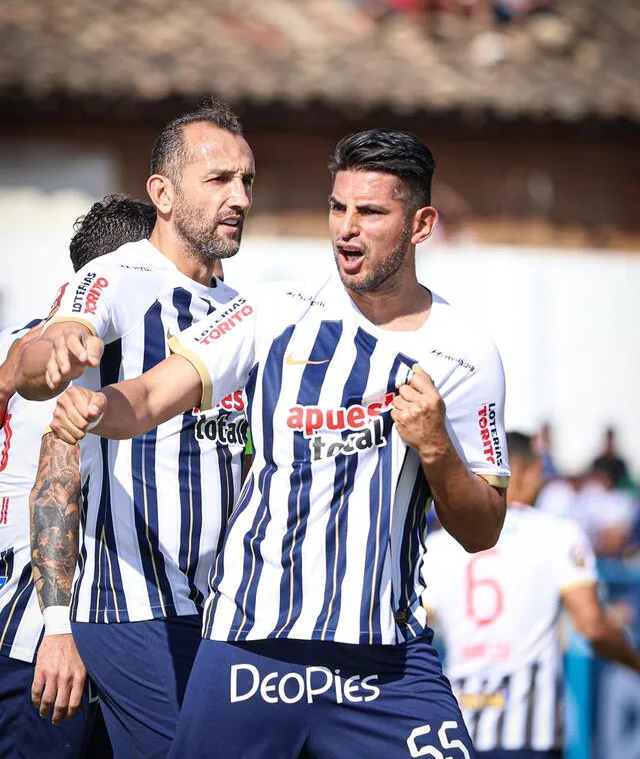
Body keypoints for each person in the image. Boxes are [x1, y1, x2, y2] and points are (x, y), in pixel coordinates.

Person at [26, 128, 510, 757]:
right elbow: (148, 397)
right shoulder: (273, 311)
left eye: (370, 213)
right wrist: (97, 408)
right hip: (251, 650)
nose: (347, 229)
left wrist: (438, 449)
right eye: (338, 208)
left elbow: (483, 529)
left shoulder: (467, 354)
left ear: (420, 224)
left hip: (383, 663)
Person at [18, 100, 254, 758]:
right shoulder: (118, 277)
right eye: (218, 180)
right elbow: (54, 359)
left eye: (246, 181)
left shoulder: (241, 309)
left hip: (220, 613)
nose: (238, 198)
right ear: (163, 193)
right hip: (132, 610)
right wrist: (57, 627)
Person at [0, 195, 155, 759]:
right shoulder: (79, 361)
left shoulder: (28, 342)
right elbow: (53, 492)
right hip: (42, 635)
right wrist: (57, 631)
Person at [423, 431, 640, 759]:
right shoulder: (557, 534)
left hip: (457, 726)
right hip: (528, 731)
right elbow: (593, 627)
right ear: (523, 472)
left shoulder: (441, 544)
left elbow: (416, 625)